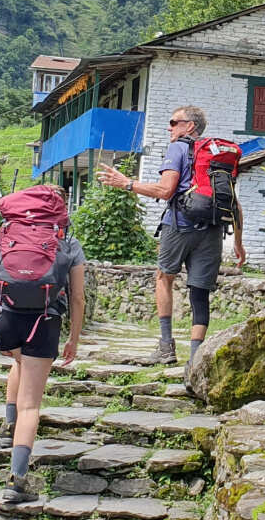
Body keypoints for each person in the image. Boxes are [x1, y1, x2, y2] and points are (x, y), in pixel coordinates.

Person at [97, 105, 245, 365]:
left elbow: (165, 190)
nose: (169, 127)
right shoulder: (216, 156)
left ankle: (166, 347)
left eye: (174, 122)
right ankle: (195, 361)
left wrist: (127, 183)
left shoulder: (178, 148)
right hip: (212, 229)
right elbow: (234, 203)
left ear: (190, 126)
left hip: (180, 225)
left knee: (164, 278)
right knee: (200, 292)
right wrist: (239, 243)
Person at [0, 231, 85, 503]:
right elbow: (77, 297)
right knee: (30, 406)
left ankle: (9, 426)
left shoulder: (9, 232)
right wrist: (73, 338)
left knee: (21, 363)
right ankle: (16, 481)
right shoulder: (68, 241)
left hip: (6, 318)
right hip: (44, 322)